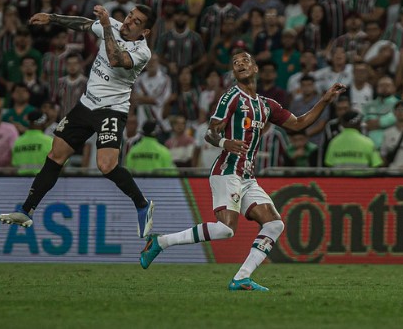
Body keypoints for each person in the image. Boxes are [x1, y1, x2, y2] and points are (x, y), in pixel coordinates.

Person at [139, 51, 345, 291]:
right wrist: (225, 143)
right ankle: (160, 242)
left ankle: (241, 278)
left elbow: (299, 123)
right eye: (235, 63)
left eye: (245, 60)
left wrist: (325, 100)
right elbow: (210, 132)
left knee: (274, 224)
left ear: (255, 68)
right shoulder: (231, 98)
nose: (240, 64)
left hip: (247, 177)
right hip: (226, 170)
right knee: (226, 229)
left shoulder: (267, 105)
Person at [0, 4, 157, 239]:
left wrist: (105, 26)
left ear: (145, 32)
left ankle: (142, 204)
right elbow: (82, 23)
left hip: (111, 110)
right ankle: (26, 209)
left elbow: (114, 59)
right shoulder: (111, 24)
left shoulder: (142, 52)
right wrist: (51, 16)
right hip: (85, 105)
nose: (128, 22)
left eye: (136, 22)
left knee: (106, 165)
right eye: (129, 16)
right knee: (55, 155)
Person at [11, 110, 54, 175]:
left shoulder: (17, 142)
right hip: (41, 181)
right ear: (43, 122)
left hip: (19, 181)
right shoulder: (50, 142)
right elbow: (61, 163)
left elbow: (14, 165)